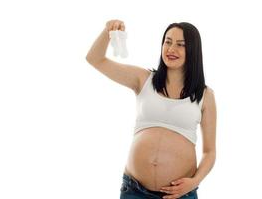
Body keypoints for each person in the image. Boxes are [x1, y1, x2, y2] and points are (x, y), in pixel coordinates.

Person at [86, 19, 217, 199]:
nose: (171, 49)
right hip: (134, 191)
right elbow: (95, 59)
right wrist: (108, 31)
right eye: (168, 42)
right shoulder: (143, 79)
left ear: (193, 50)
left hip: (179, 194)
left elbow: (209, 152)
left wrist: (195, 182)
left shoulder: (205, 95)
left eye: (181, 45)